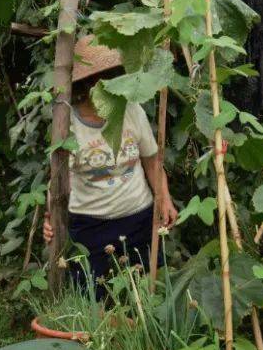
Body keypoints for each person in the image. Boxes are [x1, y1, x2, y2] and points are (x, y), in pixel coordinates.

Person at [42, 36, 177, 288]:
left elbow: (151, 162)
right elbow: (59, 181)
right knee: (95, 298)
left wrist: (165, 199)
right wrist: (51, 219)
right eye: (100, 79)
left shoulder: (132, 109)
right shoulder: (67, 124)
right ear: (86, 84)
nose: (108, 85)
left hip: (139, 218)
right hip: (91, 227)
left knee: (147, 292)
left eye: (112, 77)